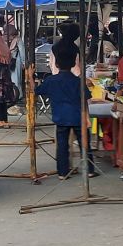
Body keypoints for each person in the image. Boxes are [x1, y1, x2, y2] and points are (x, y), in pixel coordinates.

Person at [37, 45, 96, 179]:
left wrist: (29, 77)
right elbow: (86, 97)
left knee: (62, 146)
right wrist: (87, 117)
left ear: (56, 64)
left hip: (61, 117)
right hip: (78, 116)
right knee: (84, 144)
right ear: (73, 64)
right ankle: (90, 170)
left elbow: (37, 91)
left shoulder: (51, 81)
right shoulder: (78, 81)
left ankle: (62, 172)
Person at [0, 27, 17, 128]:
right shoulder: (3, 46)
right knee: (2, 102)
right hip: (4, 79)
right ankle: (4, 121)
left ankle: (0, 121)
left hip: (0, 79)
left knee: (0, 101)